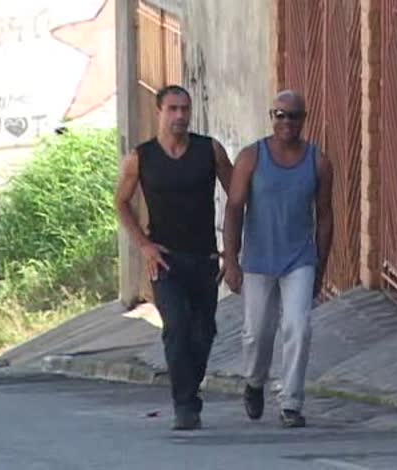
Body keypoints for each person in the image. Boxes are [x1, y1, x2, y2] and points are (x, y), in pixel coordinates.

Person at [115, 85, 232, 430]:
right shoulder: (141, 157)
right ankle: (185, 405)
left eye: (185, 109)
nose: (180, 116)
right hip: (165, 260)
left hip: (205, 257)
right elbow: (121, 202)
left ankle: (189, 390)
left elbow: (237, 197)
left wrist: (233, 247)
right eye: (173, 109)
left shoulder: (209, 150)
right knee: (177, 327)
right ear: (160, 112)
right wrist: (144, 245)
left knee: (204, 332)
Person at [223, 90, 334, 428]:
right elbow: (234, 208)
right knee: (257, 332)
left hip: (299, 259)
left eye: (294, 116)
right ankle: (255, 381)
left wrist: (320, 266)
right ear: (271, 117)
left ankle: (291, 403)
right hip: (258, 259)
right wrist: (231, 260)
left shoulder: (318, 162)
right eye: (280, 115)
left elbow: (325, 216)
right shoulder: (251, 158)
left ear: (304, 119)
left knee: (298, 327)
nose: (287, 122)